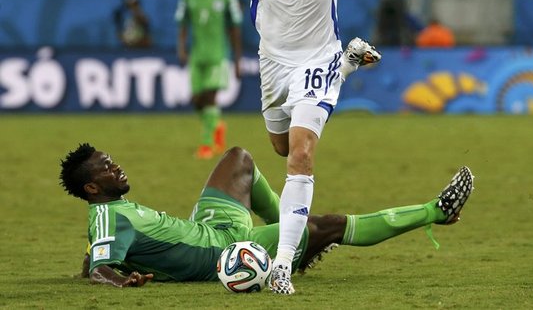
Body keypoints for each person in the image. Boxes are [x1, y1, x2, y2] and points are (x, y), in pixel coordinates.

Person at [75, 0, 505, 294]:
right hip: (273, 63)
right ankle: (347, 69)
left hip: (316, 58)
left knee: (300, 155)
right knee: (279, 147)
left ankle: (281, 265)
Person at [59, 143, 474, 288]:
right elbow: (99, 269)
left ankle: (290, 238)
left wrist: (100, 261)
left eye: (112, 161)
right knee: (330, 224)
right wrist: (121, 280)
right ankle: (434, 212)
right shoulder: (105, 217)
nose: (117, 168)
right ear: (92, 189)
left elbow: (96, 253)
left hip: (210, 228)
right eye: (106, 168)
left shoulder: (110, 216)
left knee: (238, 158)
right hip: (225, 252)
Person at [176, 0, 243, 159]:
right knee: (197, 101)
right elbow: (183, 24)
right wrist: (182, 49)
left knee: (210, 98)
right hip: (197, 56)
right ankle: (217, 126)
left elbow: (234, 28)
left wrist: (237, 61)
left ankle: (207, 145)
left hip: (218, 55)